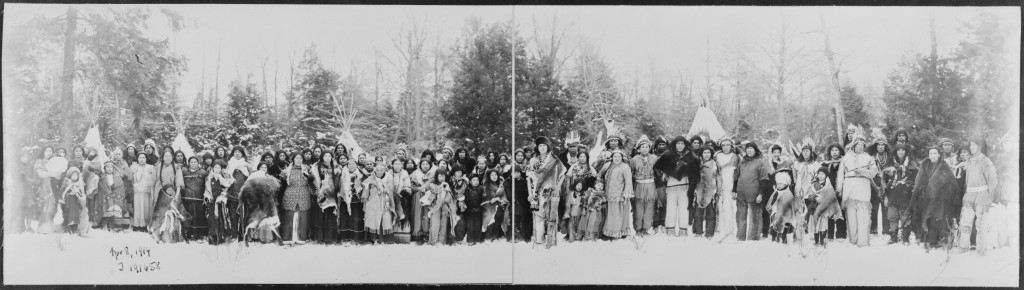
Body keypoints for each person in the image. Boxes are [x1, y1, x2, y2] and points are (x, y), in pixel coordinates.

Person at [956, 138, 998, 253]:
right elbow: (966, 165)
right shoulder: (970, 161)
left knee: (981, 223)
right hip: (969, 195)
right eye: (970, 145)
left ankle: (982, 248)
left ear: (979, 146)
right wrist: (958, 166)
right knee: (965, 222)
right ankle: (963, 247)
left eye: (973, 145)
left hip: (982, 195)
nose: (971, 148)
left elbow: (992, 181)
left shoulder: (986, 162)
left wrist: (990, 197)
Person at [912, 146, 958, 248]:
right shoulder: (925, 165)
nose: (932, 155)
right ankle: (931, 240)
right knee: (930, 218)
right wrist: (920, 190)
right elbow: (919, 180)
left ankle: (943, 239)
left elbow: (951, 182)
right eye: (930, 153)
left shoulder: (943, 166)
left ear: (939, 155)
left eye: (934, 153)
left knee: (940, 218)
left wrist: (944, 192)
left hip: (941, 198)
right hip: (928, 196)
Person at [653, 136, 699, 237]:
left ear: (685, 145)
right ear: (674, 144)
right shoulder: (667, 155)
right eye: (678, 143)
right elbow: (657, 167)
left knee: (684, 210)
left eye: (682, 143)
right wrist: (663, 175)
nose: (680, 146)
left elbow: (695, 172)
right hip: (671, 187)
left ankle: (683, 232)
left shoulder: (690, 156)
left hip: (685, 187)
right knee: (670, 210)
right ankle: (670, 231)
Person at [837, 138, 877, 247]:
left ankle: (863, 241)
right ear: (853, 146)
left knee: (863, 215)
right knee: (851, 216)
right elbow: (840, 175)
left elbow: (874, 172)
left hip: (863, 187)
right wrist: (839, 189)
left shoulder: (868, 158)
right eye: (858, 144)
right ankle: (853, 240)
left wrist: (863, 171)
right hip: (849, 188)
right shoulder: (845, 158)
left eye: (862, 145)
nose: (860, 146)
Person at [527, 137, 567, 246]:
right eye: (540, 145)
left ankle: (551, 240)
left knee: (551, 216)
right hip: (537, 192)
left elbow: (563, 174)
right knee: (538, 216)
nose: (542, 147)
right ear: (537, 147)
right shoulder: (533, 161)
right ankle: (539, 239)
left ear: (548, 147)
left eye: (544, 145)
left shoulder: (555, 160)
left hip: (551, 192)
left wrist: (557, 187)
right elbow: (529, 178)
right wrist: (530, 194)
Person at [735, 141, 770, 241]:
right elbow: (736, 176)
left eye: (751, 148)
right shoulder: (742, 161)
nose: (749, 150)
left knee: (755, 217)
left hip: (754, 194)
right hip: (741, 193)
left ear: (755, 150)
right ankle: (740, 236)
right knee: (740, 216)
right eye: (748, 148)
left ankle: (753, 237)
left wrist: (760, 194)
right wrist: (734, 190)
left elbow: (764, 179)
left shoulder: (760, 162)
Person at [886, 144, 917, 244]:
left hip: (906, 195)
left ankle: (905, 237)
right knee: (893, 216)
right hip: (893, 194)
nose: (900, 152)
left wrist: (908, 184)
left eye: (903, 150)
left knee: (905, 217)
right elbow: (884, 181)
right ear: (895, 152)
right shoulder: (890, 164)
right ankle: (893, 237)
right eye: (898, 150)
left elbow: (916, 181)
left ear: (906, 152)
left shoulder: (912, 165)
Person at [281, 153, 314, 244]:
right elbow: (283, 181)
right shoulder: (288, 170)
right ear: (293, 159)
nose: (299, 160)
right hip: (290, 194)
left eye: (300, 158)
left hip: (304, 194)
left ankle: (301, 238)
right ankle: (287, 238)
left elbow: (312, 180)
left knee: (303, 217)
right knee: (289, 216)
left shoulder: (307, 169)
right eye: (297, 158)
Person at [805, 166, 843, 246]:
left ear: (826, 175)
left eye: (822, 173)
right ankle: (816, 240)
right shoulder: (814, 184)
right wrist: (814, 197)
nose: (820, 175)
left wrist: (823, 199)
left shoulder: (828, 185)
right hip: (814, 208)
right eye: (818, 173)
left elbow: (831, 197)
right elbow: (809, 195)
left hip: (824, 209)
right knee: (815, 224)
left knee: (823, 224)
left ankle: (822, 240)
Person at [629, 135, 659, 236]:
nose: (644, 149)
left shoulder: (654, 158)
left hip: (650, 185)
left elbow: (658, 171)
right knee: (638, 208)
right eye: (642, 147)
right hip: (639, 186)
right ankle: (638, 229)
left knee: (649, 208)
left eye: (646, 147)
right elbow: (631, 173)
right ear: (638, 148)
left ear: (649, 148)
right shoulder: (634, 160)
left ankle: (646, 228)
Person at [602, 150, 634, 239]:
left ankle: (618, 232)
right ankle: (610, 231)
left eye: (619, 156)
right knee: (611, 214)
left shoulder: (625, 167)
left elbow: (628, 182)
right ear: (612, 157)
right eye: (615, 156)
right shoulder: (609, 166)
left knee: (619, 214)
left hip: (620, 195)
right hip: (610, 194)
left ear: (622, 157)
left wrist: (626, 194)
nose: (617, 158)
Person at [310, 151, 340, 244]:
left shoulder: (336, 167)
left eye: (329, 156)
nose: (327, 157)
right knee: (320, 215)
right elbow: (313, 179)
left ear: (332, 157)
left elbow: (338, 180)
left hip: (331, 193)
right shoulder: (317, 167)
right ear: (322, 157)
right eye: (325, 156)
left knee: (330, 216)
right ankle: (320, 237)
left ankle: (330, 238)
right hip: (321, 193)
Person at [692, 146, 721, 238]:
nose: (706, 154)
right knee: (697, 213)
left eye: (708, 152)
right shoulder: (697, 164)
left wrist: (718, 191)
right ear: (701, 154)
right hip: (699, 190)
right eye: (704, 153)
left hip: (710, 191)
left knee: (710, 213)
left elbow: (718, 178)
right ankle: (698, 232)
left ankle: (709, 233)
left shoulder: (715, 164)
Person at [714, 139, 740, 239]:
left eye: (727, 145)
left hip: (732, 185)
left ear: (731, 146)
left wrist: (735, 188)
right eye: (723, 145)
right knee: (720, 209)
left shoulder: (735, 156)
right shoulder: (717, 156)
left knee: (731, 209)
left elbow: (738, 172)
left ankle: (730, 231)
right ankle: (720, 230)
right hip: (720, 185)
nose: (725, 147)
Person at [363, 165, 396, 244]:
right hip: (373, 203)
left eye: (381, 170)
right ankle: (373, 238)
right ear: (375, 171)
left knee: (384, 219)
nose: (379, 172)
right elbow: (365, 193)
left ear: (385, 171)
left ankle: (383, 238)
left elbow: (392, 191)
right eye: (377, 170)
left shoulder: (388, 179)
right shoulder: (369, 180)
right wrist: (365, 203)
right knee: (373, 220)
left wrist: (386, 190)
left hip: (385, 203)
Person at [424, 170, 458, 245]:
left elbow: (449, 199)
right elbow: (429, 196)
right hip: (435, 206)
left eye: (443, 176)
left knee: (443, 224)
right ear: (436, 177)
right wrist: (439, 189)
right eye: (439, 176)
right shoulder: (432, 185)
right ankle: (433, 241)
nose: (441, 178)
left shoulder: (447, 185)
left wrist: (447, 190)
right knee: (435, 224)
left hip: (445, 207)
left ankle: (441, 241)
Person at [204, 160, 234, 245]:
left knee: (220, 217)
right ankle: (212, 237)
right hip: (212, 199)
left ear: (221, 169)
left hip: (219, 199)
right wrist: (209, 196)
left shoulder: (222, 178)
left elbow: (227, 186)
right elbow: (206, 189)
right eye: (215, 167)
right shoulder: (209, 178)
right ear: (213, 168)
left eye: (219, 168)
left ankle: (221, 237)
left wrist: (222, 196)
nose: (217, 169)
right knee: (212, 218)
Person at [338, 160, 367, 243]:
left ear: (356, 165)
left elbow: (366, 184)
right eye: (349, 164)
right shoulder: (343, 174)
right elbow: (339, 185)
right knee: (345, 219)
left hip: (357, 199)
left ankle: (356, 238)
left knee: (356, 219)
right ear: (347, 166)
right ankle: (345, 237)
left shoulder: (361, 174)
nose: (351, 165)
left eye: (353, 164)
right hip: (345, 199)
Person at [383, 159, 411, 243]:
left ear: (401, 165)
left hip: (402, 197)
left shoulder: (404, 173)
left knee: (402, 215)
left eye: (399, 164)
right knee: (390, 215)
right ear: (392, 165)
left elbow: (407, 184)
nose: (397, 166)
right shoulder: (388, 173)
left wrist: (403, 191)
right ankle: (391, 237)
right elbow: (386, 184)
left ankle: (403, 237)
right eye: (395, 164)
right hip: (391, 197)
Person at [823, 143, 848, 240]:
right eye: (832, 150)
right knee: (830, 214)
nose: (834, 152)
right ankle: (830, 235)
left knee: (841, 213)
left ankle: (841, 234)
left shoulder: (845, 163)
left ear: (840, 151)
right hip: (829, 193)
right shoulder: (825, 164)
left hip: (841, 192)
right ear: (830, 152)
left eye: (836, 150)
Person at [180, 156, 208, 240]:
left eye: (195, 162)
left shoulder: (203, 172)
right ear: (189, 163)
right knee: (189, 216)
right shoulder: (184, 172)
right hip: (187, 198)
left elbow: (207, 185)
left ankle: (199, 234)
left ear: (198, 163)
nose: (193, 163)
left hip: (199, 198)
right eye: (191, 162)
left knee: (199, 216)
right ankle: (188, 233)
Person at [868, 138, 892, 235]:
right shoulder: (872, 157)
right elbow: (869, 173)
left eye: (882, 145)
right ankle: (873, 229)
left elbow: (892, 171)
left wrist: (887, 183)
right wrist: (874, 186)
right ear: (876, 147)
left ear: (885, 146)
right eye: (878, 145)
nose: (880, 147)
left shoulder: (890, 157)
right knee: (874, 208)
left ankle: (886, 230)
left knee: (885, 207)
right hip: (874, 184)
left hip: (886, 184)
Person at [409, 159, 434, 243]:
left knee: (427, 213)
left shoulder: (433, 173)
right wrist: (418, 188)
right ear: (420, 165)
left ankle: (426, 233)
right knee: (417, 213)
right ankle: (417, 234)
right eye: (423, 164)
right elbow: (410, 187)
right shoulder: (415, 174)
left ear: (430, 165)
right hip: (417, 195)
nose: (425, 166)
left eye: (427, 164)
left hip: (429, 196)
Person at [130, 153, 157, 231]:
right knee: (137, 207)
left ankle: (145, 225)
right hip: (137, 191)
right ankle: (136, 225)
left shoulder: (150, 167)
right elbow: (130, 178)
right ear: (137, 159)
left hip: (146, 191)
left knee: (146, 207)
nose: (142, 159)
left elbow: (154, 179)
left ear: (146, 159)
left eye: (143, 157)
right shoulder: (133, 167)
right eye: (140, 157)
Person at [59, 167, 89, 236]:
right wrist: (70, 192)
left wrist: (78, 193)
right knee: (69, 216)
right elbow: (64, 192)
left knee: (76, 216)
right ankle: (69, 228)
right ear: (70, 176)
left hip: (76, 204)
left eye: (76, 175)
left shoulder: (79, 184)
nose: (75, 177)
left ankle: (75, 228)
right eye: (73, 175)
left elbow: (82, 193)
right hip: (69, 204)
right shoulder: (67, 183)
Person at [482, 169, 509, 241]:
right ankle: (489, 235)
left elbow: (504, 196)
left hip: (500, 205)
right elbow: (484, 197)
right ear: (489, 176)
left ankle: (497, 235)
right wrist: (491, 200)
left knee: (499, 217)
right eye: (492, 175)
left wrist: (498, 199)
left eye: (495, 175)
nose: (494, 176)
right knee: (490, 218)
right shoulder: (486, 185)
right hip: (488, 206)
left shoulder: (501, 185)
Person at [462, 174, 485, 244]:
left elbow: (484, 198)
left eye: (477, 180)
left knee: (478, 226)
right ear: (470, 181)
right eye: (474, 180)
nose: (476, 182)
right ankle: (470, 240)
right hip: (469, 212)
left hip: (479, 211)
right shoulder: (468, 189)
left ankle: (478, 240)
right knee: (471, 227)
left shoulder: (481, 188)